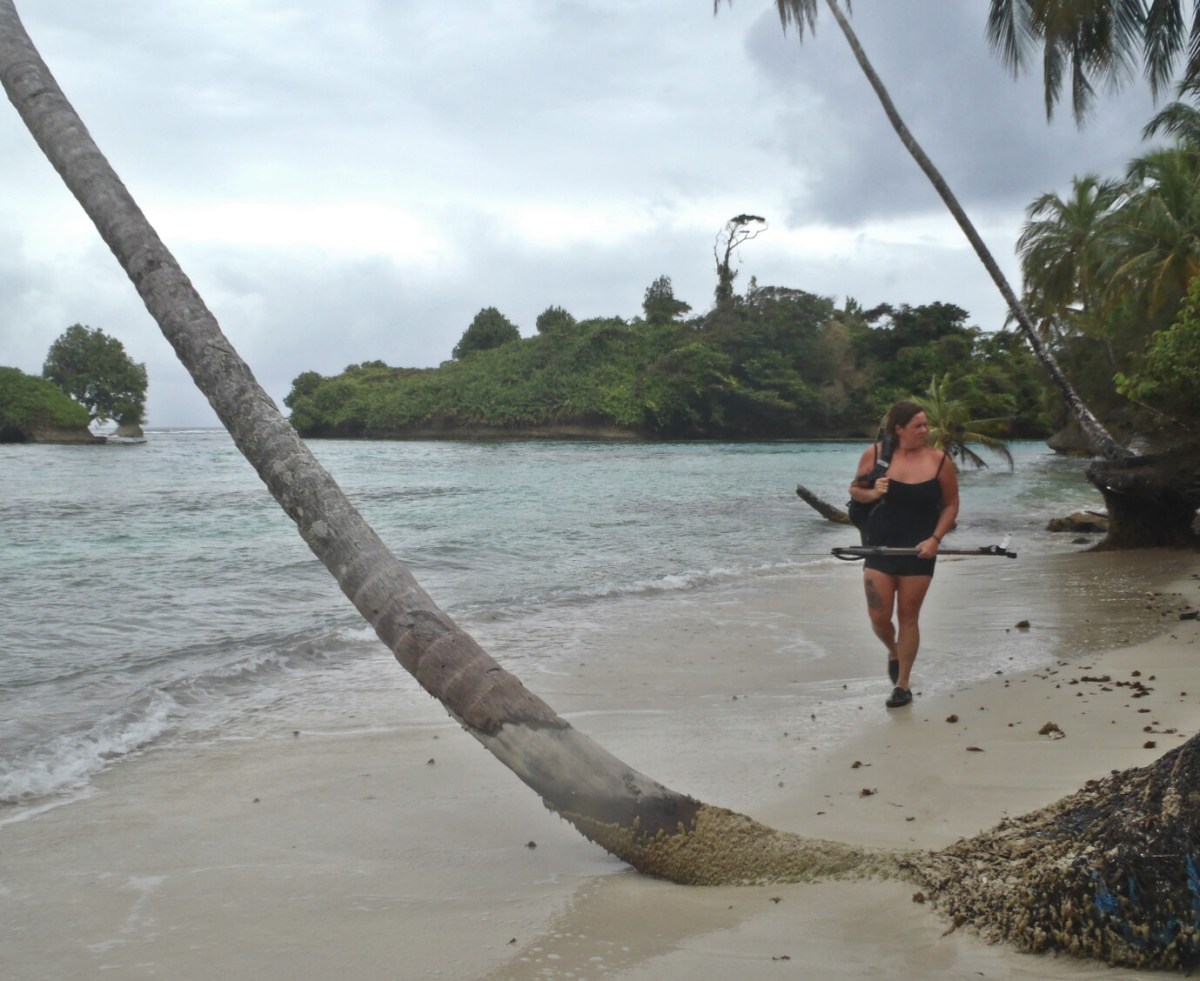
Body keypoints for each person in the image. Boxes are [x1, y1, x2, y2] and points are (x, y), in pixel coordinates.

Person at [848, 400, 959, 708]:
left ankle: (903, 685)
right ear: (899, 429)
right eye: (918, 426)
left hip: (919, 549)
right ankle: (893, 650)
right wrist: (874, 492)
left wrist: (935, 539)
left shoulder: (939, 461)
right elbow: (855, 490)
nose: (925, 430)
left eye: (926, 425)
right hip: (879, 544)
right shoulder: (876, 455)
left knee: (908, 616)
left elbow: (951, 504)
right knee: (879, 616)